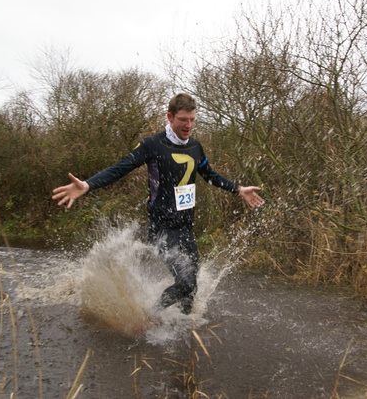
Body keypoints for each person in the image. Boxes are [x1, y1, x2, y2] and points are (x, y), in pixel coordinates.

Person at [52, 93, 264, 315]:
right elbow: (120, 168)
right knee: (186, 283)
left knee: (191, 288)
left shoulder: (195, 146)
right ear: (170, 117)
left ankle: (184, 328)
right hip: (161, 228)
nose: (188, 125)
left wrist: (238, 189)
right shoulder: (152, 145)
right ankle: (148, 316)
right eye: (183, 119)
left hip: (185, 227)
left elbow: (209, 174)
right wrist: (87, 185)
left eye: (192, 119)